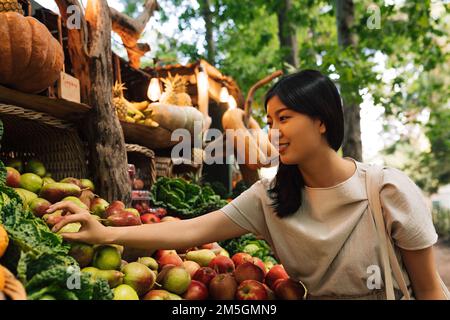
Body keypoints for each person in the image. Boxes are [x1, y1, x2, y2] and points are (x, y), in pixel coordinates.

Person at [50, 70, 446, 300]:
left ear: (322, 120)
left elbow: (431, 290)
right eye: (271, 122)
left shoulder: (387, 191)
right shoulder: (270, 198)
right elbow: (192, 229)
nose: (274, 132)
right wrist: (103, 231)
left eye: (285, 118)